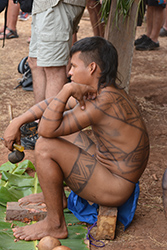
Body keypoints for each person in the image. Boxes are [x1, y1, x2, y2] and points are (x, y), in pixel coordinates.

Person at [3, 36, 150, 241]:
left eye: (73, 66)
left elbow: (45, 130)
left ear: (91, 68)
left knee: (45, 145)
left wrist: (67, 88)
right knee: (67, 133)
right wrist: (18, 120)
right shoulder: (103, 92)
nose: (69, 72)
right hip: (109, 170)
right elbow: (53, 103)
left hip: (115, 186)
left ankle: (55, 225)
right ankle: (55, 198)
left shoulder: (103, 102)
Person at [20, 0, 86, 149]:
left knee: (53, 68)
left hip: (57, 4)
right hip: (43, 5)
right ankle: (40, 122)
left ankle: (49, 129)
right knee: (35, 62)